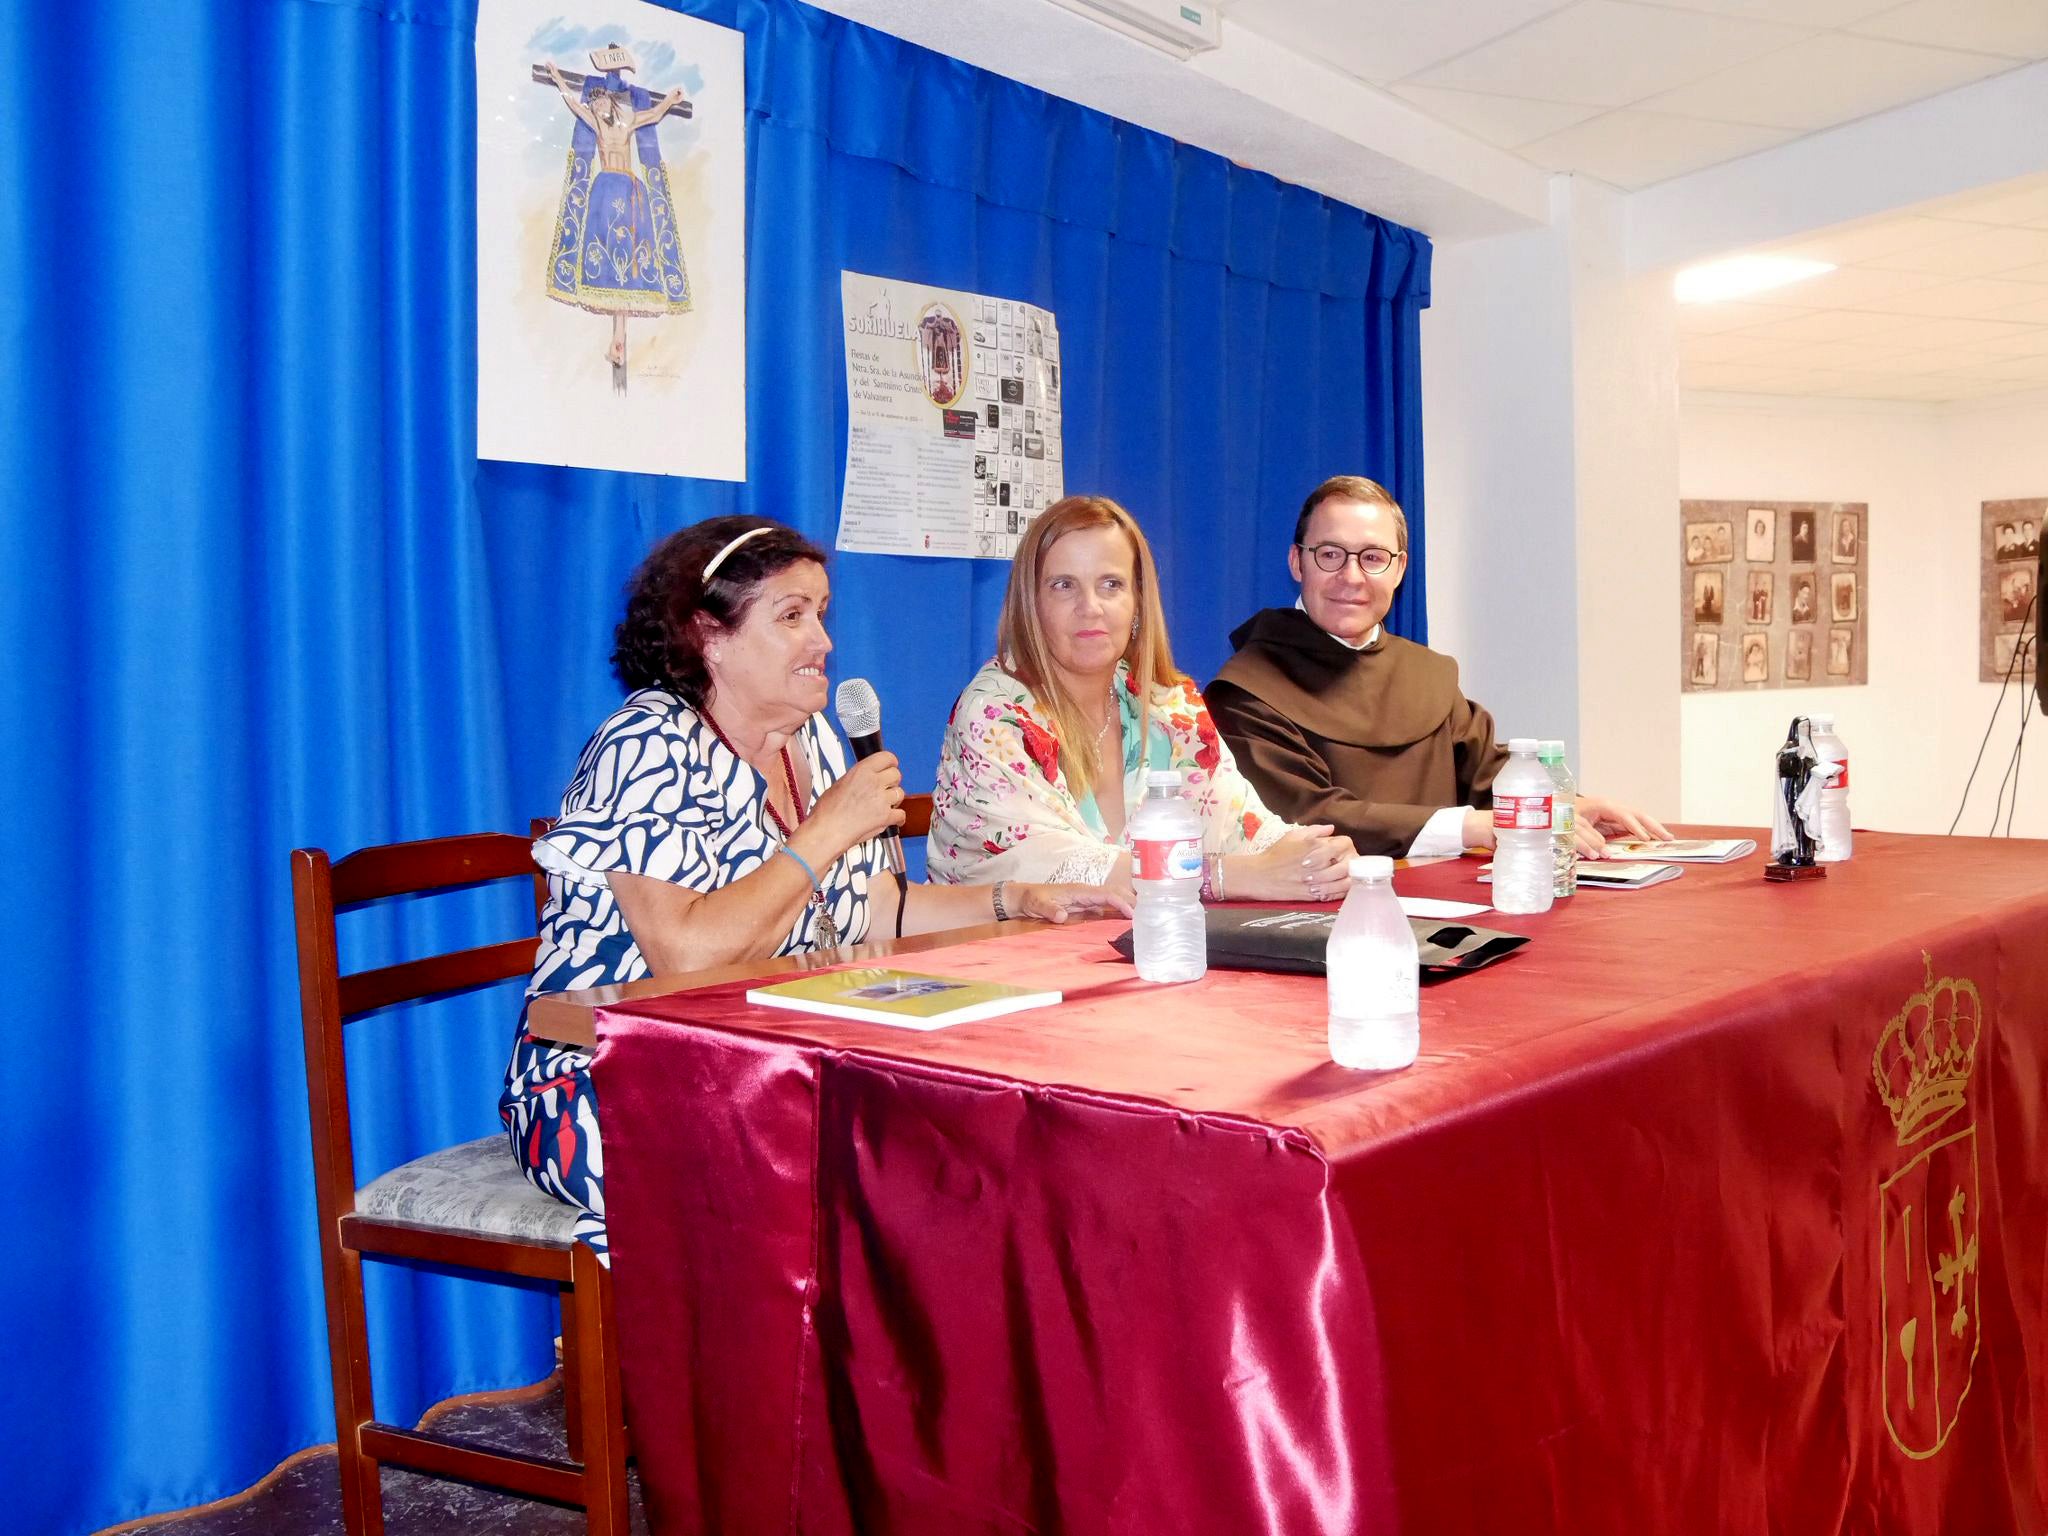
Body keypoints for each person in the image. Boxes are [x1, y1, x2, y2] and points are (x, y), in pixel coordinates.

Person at [503, 516, 1127, 1260]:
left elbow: (879, 908)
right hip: (610, 1080)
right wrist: (825, 831)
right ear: (709, 633)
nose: (824, 641)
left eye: (822, 614)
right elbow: (687, 956)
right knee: (794, 1180)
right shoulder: (645, 746)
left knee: (951, 1141)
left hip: (766, 1065)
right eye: (792, 616)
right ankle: (702, 1375)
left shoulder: (819, 743)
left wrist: (1016, 899)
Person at [1207, 475, 1670, 858]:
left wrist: (1570, 804)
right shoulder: (1246, 690)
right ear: (1297, 562)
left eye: (1372, 558)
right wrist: (1472, 827)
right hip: (1331, 920)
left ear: (1399, 569)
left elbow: (1487, 774)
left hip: (1460, 912)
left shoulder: (1426, 674)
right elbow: (1309, 816)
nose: (1351, 577)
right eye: (1330, 554)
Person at [927, 495, 1356, 898]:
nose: (1090, 606)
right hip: (996, 957)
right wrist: (1227, 877)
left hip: (1133, 947)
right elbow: (1057, 869)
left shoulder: (1171, 706)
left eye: (1111, 584)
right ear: (1030, 603)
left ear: (1137, 603)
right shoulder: (994, 712)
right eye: (1063, 585)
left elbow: (1243, 828)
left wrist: (1315, 854)